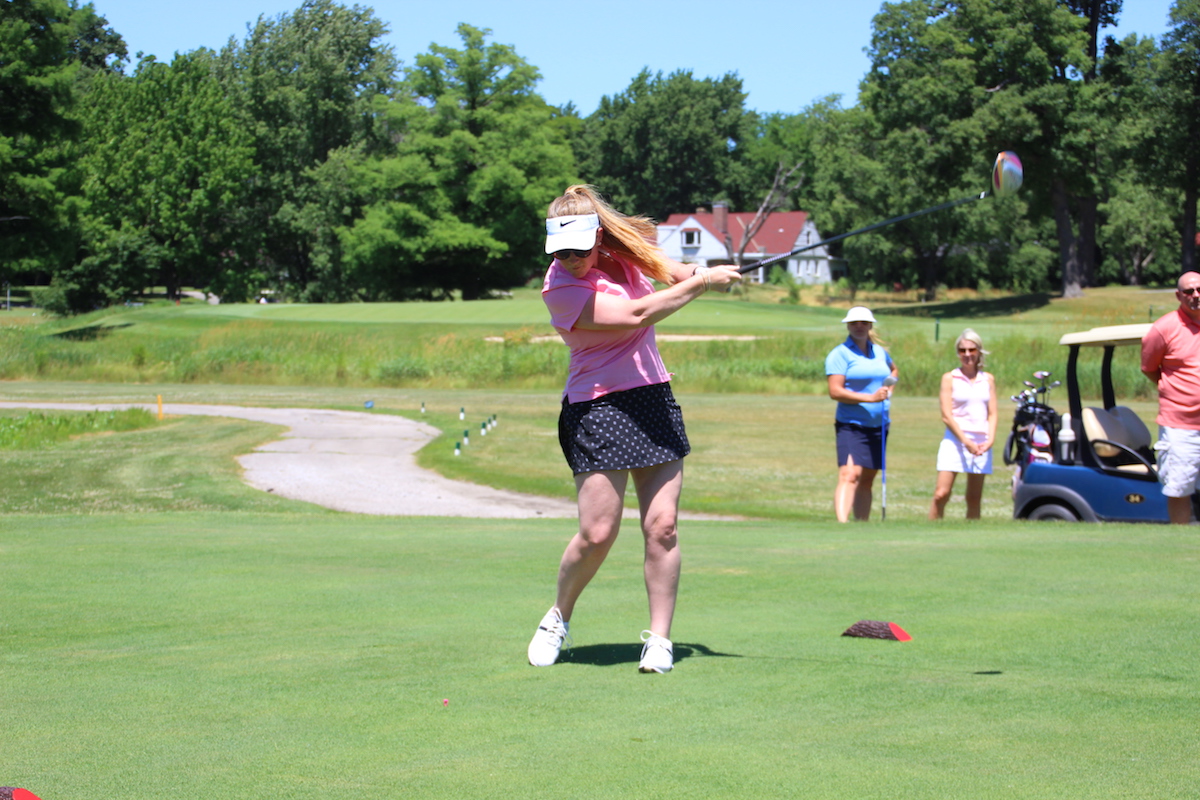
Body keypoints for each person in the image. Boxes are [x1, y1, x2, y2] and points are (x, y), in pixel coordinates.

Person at [527, 185, 742, 673]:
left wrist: (706, 271)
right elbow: (638, 313)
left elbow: (674, 271)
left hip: (652, 397)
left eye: (578, 249)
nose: (570, 259)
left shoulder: (626, 256)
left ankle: (660, 640)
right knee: (598, 531)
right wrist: (702, 283)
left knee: (661, 527)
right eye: (559, 250)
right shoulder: (560, 285)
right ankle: (558, 616)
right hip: (596, 406)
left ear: (598, 237)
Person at [825, 307, 898, 522]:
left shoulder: (879, 352)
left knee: (867, 479)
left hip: (879, 424)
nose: (859, 326)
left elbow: (893, 371)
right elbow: (835, 391)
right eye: (855, 322)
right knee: (849, 474)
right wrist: (870, 398)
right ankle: (842, 524)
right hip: (851, 424)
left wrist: (889, 389)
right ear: (848, 325)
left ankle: (861, 527)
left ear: (870, 326)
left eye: (864, 323)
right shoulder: (840, 354)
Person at [1141, 271, 1200, 524]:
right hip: (1180, 426)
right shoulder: (1165, 327)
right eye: (1188, 291)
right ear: (1179, 295)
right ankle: (1181, 545)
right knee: (1179, 488)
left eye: (1199, 289)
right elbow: (1149, 368)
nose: (1195, 295)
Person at [928, 329, 998, 520]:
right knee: (941, 493)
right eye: (962, 350)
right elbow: (946, 415)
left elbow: (992, 413)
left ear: (979, 351)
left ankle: (971, 538)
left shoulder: (987, 379)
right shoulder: (950, 378)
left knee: (974, 498)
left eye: (971, 350)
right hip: (955, 440)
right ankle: (932, 530)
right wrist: (965, 441)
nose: (967, 355)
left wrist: (990, 440)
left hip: (981, 442)